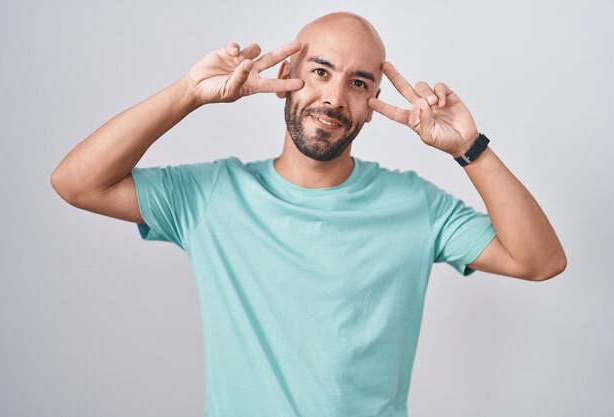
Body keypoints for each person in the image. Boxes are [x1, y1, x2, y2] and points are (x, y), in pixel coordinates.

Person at [51, 11, 566, 417]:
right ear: (285, 76)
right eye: (320, 72)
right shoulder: (212, 195)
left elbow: (539, 260)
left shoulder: (415, 205)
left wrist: (469, 147)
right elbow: (76, 182)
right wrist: (189, 94)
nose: (334, 98)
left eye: (358, 83)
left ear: (372, 102)